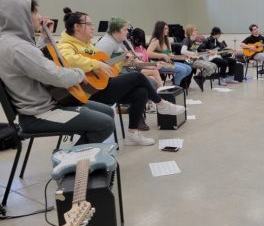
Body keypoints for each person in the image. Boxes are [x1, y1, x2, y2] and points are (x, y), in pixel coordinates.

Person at [57, 8, 185, 146]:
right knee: (138, 77)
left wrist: (121, 62)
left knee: (141, 92)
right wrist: (97, 64)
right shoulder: (66, 45)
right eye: (89, 24)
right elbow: (68, 60)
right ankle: (162, 104)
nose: (93, 27)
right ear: (77, 27)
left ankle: (132, 134)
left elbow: (106, 69)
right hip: (88, 92)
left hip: (101, 85)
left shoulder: (88, 45)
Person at [0, 0, 114, 144]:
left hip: (43, 105)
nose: (39, 16)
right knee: (105, 124)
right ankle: (71, 164)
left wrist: (44, 38)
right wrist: (79, 74)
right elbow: (58, 77)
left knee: (107, 111)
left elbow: (33, 60)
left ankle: (84, 159)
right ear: (19, 15)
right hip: (41, 114)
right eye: (34, 11)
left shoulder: (9, 42)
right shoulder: (19, 48)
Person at [95, 18, 166, 129]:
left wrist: (152, 65)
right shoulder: (105, 43)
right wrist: (121, 60)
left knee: (151, 83)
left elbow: (134, 61)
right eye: (125, 29)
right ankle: (142, 112)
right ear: (116, 30)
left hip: (127, 71)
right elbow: (99, 65)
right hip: (114, 77)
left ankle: (136, 112)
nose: (128, 32)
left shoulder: (125, 42)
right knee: (146, 84)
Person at [147, 21, 193, 89]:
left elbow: (171, 56)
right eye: (165, 29)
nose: (167, 30)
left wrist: (184, 57)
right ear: (160, 29)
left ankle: (174, 82)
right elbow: (148, 53)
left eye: (167, 29)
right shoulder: (156, 40)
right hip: (160, 64)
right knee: (183, 70)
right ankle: (176, 86)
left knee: (189, 68)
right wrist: (162, 55)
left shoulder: (167, 40)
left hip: (168, 63)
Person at [181, 24, 218, 90]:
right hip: (190, 61)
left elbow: (197, 51)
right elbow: (183, 51)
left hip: (196, 60)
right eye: (195, 30)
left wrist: (207, 52)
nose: (196, 31)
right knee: (209, 67)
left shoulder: (193, 41)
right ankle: (199, 77)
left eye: (196, 30)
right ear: (190, 31)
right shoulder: (186, 40)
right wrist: (193, 54)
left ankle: (199, 77)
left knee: (214, 66)